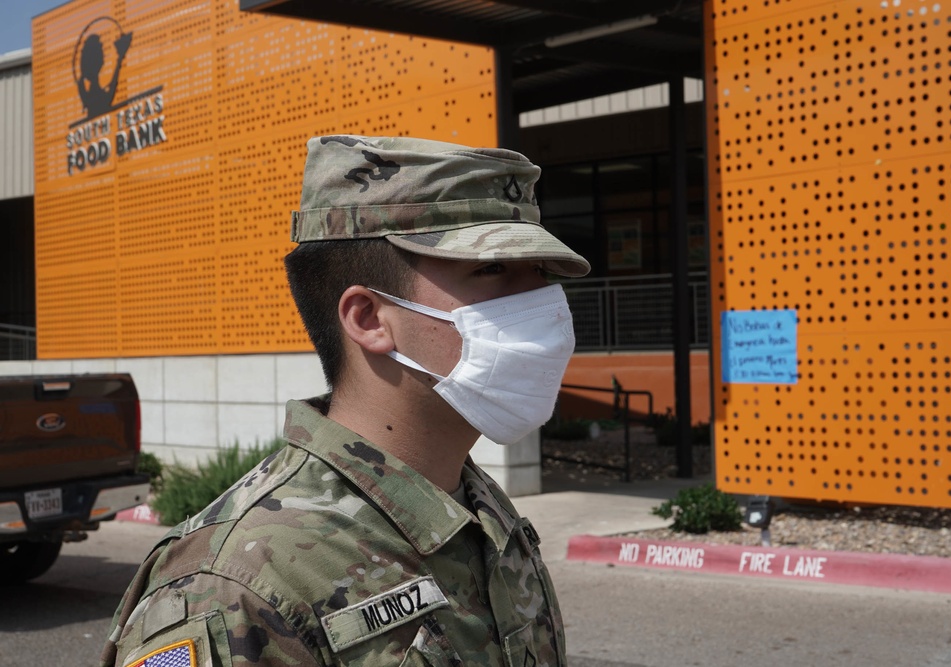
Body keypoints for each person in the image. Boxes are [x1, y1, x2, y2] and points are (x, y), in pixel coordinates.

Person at [99, 135, 591, 667]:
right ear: (369, 319)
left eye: (541, 272)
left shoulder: (480, 508)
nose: (541, 303)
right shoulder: (234, 589)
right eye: (492, 270)